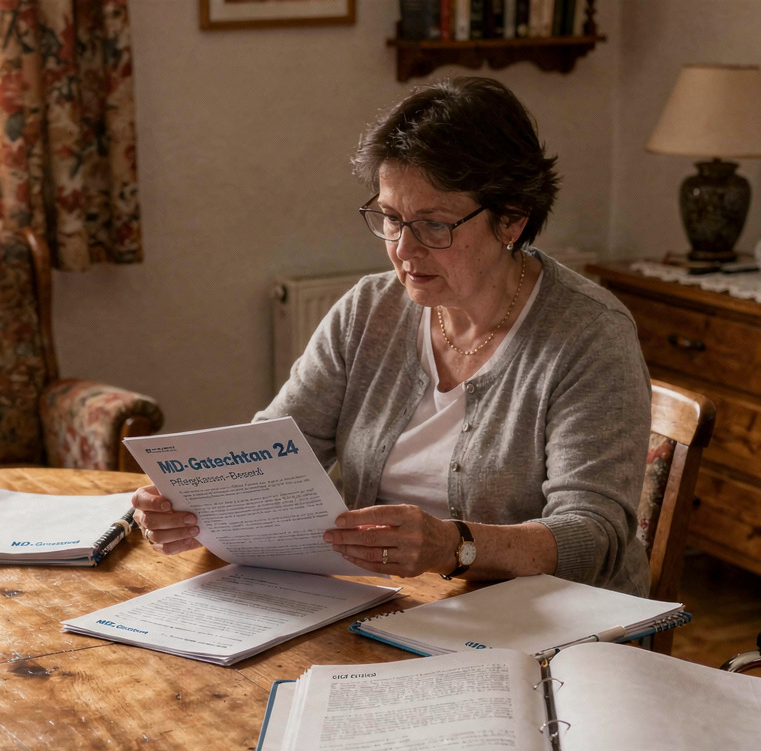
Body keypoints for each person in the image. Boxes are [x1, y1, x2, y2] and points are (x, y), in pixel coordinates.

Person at [134, 77, 653, 593]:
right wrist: (194, 502)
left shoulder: (590, 336)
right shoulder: (369, 308)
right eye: (389, 217)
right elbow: (273, 452)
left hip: (550, 629)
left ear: (511, 220)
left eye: (433, 225)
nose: (403, 249)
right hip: (396, 605)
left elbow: (593, 537)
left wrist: (452, 546)